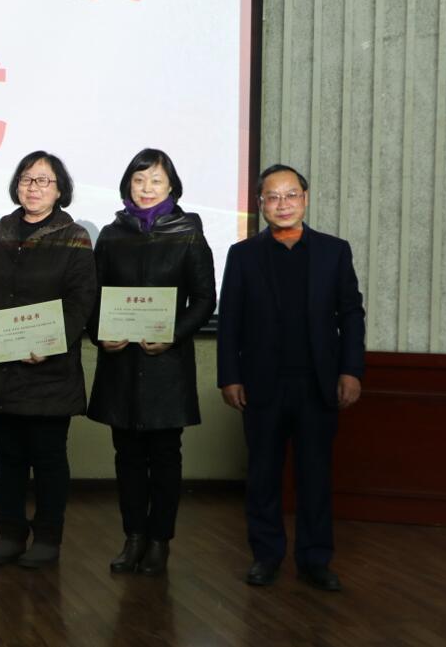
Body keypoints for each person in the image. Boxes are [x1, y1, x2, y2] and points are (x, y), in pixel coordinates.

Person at [217, 164, 365, 591]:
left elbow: (351, 314)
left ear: (305, 198)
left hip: (318, 384)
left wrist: (351, 370)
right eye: (273, 197)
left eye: (291, 195)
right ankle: (266, 557)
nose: (283, 204)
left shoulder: (334, 251)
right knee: (262, 475)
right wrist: (230, 376)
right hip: (261, 383)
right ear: (260, 203)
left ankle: (315, 560)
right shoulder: (243, 255)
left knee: (314, 476)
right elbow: (230, 321)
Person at [87, 148, 215, 576]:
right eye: (139, 180)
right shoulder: (111, 235)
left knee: (164, 457)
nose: (146, 189)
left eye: (156, 181)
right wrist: (99, 333)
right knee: (126, 456)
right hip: (121, 363)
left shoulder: (188, 232)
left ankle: (159, 541)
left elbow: (204, 299)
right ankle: (133, 538)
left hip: (166, 366)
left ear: (171, 186)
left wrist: (173, 334)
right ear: (128, 184)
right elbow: (92, 296)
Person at [0, 150, 97, 567]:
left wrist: (53, 341)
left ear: (60, 190)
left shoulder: (74, 236)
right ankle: (10, 533)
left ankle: (47, 537)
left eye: (43, 180)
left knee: (48, 458)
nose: (33, 187)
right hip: (2, 367)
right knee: (8, 459)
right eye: (27, 179)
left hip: (49, 370)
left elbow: (81, 300)